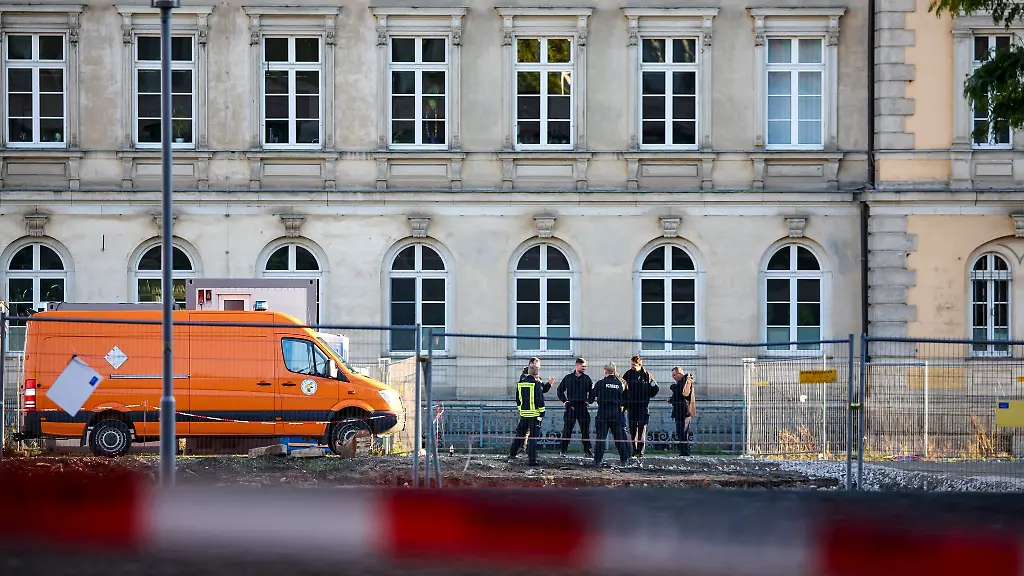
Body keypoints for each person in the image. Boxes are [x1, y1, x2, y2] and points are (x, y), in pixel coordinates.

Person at [509, 364, 554, 465]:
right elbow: (539, 400)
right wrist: (542, 413)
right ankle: (532, 460)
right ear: (536, 374)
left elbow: (518, 399)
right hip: (534, 415)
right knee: (533, 438)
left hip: (524, 414)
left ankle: (512, 454)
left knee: (520, 435)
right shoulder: (536, 384)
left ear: (528, 372)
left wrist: (521, 410)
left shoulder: (520, 383)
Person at [588, 362, 630, 467]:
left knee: (600, 438)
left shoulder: (600, 383)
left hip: (603, 414)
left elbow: (591, 398)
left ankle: (597, 461)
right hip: (616, 414)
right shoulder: (620, 384)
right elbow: (626, 399)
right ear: (614, 371)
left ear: (605, 371)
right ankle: (624, 460)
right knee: (619, 438)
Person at [622, 355, 659, 461]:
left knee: (642, 429)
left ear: (639, 365)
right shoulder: (628, 374)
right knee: (632, 429)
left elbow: (655, 389)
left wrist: (647, 395)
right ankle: (633, 451)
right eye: (631, 364)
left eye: (634, 365)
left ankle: (640, 451)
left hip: (643, 406)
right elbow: (623, 389)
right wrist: (624, 403)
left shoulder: (646, 375)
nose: (632, 366)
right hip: (631, 406)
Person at [557, 357, 594, 458]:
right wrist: (565, 401)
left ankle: (587, 450)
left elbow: (592, 393)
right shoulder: (568, 378)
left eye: (585, 366)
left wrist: (589, 401)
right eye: (582, 366)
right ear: (577, 365)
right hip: (571, 407)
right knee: (567, 430)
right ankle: (563, 450)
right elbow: (560, 390)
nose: (584, 368)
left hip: (582, 407)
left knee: (585, 430)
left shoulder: (587, 379)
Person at [667, 368, 696, 456]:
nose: (673, 377)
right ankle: (683, 452)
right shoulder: (680, 383)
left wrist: (672, 386)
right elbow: (679, 395)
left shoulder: (686, 381)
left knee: (683, 432)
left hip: (684, 411)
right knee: (680, 432)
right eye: (672, 375)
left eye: (674, 375)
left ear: (679, 373)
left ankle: (685, 452)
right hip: (678, 411)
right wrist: (671, 399)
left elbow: (684, 393)